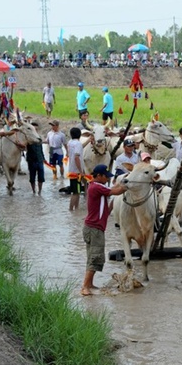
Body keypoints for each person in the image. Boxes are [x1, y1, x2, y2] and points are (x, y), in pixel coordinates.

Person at [81, 164, 128, 296]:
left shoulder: (96, 187)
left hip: (92, 228)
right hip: (94, 229)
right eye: (105, 176)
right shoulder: (96, 186)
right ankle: (85, 286)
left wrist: (119, 187)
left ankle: (89, 284)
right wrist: (128, 184)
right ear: (99, 176)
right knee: (95, 257)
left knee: (92, 257)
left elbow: (111, 195)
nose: (107, 178)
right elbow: (116, 191)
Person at [67, 127, 85, 211]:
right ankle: (71, 209)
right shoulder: (78, 144)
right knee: (76, 192)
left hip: (71, 170)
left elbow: (79, 149)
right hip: (76, 172)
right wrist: (81, 171)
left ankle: (76, 209)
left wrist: (88, 141)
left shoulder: (70, 142)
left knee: (76, 191)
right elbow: (76, 158)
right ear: (80, 135)